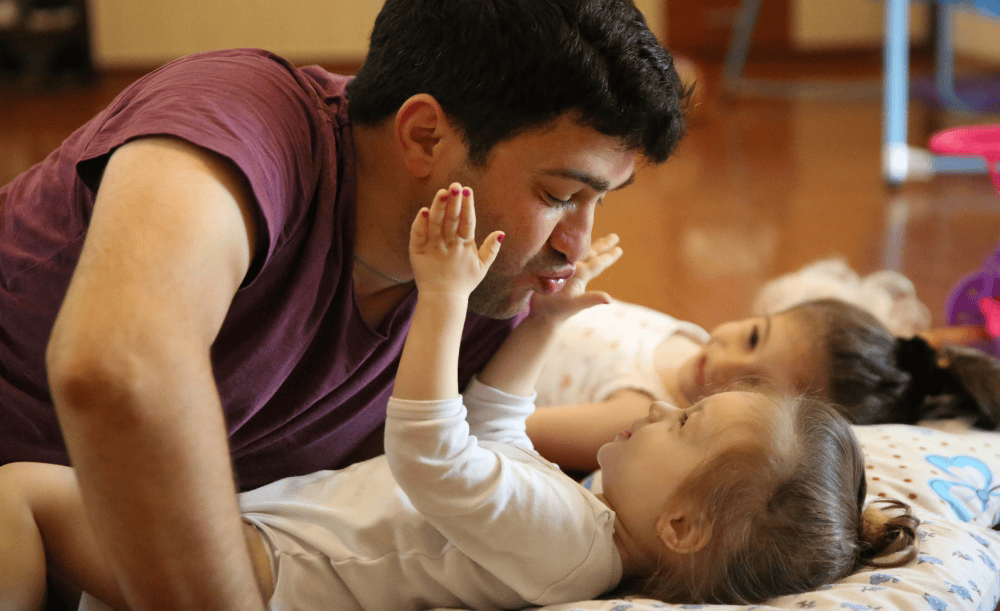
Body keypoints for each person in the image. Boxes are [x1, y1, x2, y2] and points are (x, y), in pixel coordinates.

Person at [0, 0, 689, 610]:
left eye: (600, 202)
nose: (576, 245)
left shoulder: (482, 292)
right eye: (559, 196)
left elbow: (490, 454)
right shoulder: (242, 119)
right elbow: (119, 367)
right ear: (426, 136)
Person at [0, 185, 918, 611]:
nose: (653, 414)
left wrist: (442, 299)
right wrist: (543, 332)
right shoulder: (579, 523)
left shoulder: (569, 551)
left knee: (17, 495)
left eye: (680, 426)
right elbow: (490, 432)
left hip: (254, 574)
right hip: (253, 548)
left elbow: (433, 453)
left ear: (680, 528)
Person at [528, 296, 1000, 472]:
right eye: (754, 336)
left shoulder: (639, 414)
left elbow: (495, 427)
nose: (723, 364)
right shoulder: (688, 341)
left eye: (752, 387)